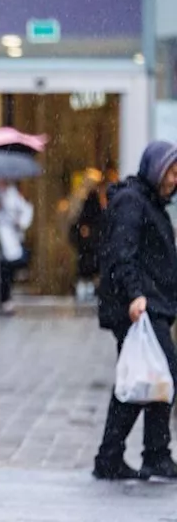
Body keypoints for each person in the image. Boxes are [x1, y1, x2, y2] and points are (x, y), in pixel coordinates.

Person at [92, 140, 177, 481]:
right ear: (156, 168)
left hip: (150, 303)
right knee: (149, 376)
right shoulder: (132, 201)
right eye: (171, 171)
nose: (174, 178)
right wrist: (135, 295)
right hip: (138, 306)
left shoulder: (151, 202)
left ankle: (144, 454)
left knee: (152, 376)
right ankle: (120, 456)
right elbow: (120, 253)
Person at [0, 179, 33, 316]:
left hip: (10, 239)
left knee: (6, 272)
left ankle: (5, 300)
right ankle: (0, 299)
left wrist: (19, 222)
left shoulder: (13, 194)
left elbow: (25, 211)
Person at [69, 172, 106, 304]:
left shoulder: (87, 200)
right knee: (88, 266)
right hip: (90, 243)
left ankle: (86, 289)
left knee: (86, 267)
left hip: (88, 244)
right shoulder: (90, 200)